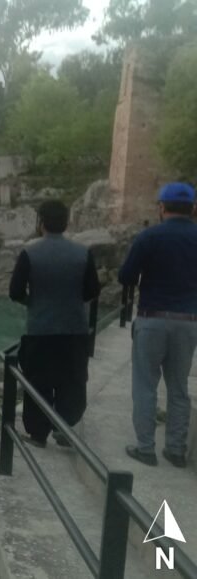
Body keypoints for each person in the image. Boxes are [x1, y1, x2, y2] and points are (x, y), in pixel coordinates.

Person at [9, 200, 101, 448]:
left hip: (41, 329)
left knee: (38, 382)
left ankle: (38, 435)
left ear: (40, 223)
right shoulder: (83, 253)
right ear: (67, 222)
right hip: (75, 330)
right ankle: (65, 430)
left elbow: (15, 291)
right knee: (72, 381)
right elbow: (92, 290)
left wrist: (34, 302)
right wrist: (70, 301)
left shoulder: (30, 253)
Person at [119, 182, 197, 468]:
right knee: (178, 388)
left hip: (152, 319)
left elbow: (126, 275)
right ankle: (176, 450)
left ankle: (145, 448)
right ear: (194, 209)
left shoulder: (149, 237)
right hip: (188, 322)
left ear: (161, 208)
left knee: (145, 385)